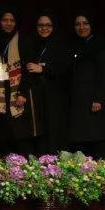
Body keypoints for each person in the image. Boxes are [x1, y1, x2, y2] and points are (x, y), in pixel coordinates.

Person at [68, 13, 105, 157]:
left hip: (96, 102)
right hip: (80, 102)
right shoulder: (73, 45)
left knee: (100, 141)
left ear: (91, 25)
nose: (81, 27)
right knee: (83, 142)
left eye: (85, 23)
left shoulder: (101, 44)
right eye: (78, 24)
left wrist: (98, 98)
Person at [0, 8, 38, 155]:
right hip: (4, 93)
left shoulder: (24, 40)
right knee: (6, 135)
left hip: (20, 93)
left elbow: (29, 69)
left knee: (22, 137)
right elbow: (0, 68)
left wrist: (22, 93)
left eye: (12, 20)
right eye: (5, 20)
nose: (8, 23)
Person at [29, 13, 73, 155]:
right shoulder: (33, 45)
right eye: (41, 25)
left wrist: (43, 69)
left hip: (57, 96)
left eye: (48, 25)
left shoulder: (62, 45)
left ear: (54, 27)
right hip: (38, 96)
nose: (44, 28)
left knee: (55, 130)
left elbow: (66, 68)